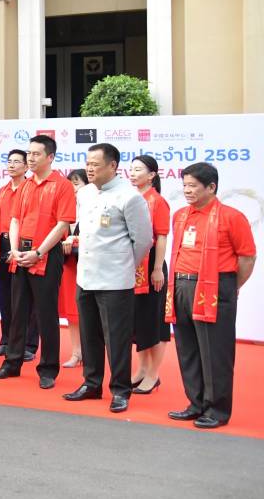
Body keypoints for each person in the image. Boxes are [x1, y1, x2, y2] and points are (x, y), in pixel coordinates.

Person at [166, 162, 256, 429]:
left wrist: (230, 287)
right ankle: (196, 404)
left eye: (193, 186)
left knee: (215, 352)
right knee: (187, 349)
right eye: (184, 185)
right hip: (181, 286)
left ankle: (217, 409)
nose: (187, 191)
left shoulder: (232, 217)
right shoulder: (180, 215)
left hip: (215, 288)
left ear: (211, 187)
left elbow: (247, 257)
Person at [64, 143, 152, 414]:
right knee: (89, 334)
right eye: (87, 163)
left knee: (117, 339)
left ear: (113, 166)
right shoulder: (85, 193)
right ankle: (91, 383)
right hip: (86, 275)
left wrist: (123, 265)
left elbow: (143, 241)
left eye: (96, 164)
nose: (89, 169)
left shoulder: (130, 197)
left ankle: (120, 390)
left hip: (115, 280)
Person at [0, 134, 74, 390]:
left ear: (50, 157)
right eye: (29, 154)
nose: (31, 158)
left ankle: (48, 369)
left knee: (46, 313)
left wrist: (38, 252)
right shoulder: (25, 185)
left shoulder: (62, 185)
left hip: (47, 253)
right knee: (17, 310)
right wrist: (15, 250)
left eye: (36, 154)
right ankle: (12, 362)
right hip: (21, 253)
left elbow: (63, 224)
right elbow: (15, 219)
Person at [0, 149, 38, 360]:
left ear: (26, 166)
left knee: (26, 299)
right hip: (2, 244)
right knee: (5, 296)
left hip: (23, 246)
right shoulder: (3, 190)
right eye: (9, 161)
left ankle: (29, 344)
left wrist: (16, 249)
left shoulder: (30, 189)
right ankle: (6, 340)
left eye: (17, 162)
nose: (12, 165)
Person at [129, 155, 171, 394]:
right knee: (139, 321)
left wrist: (156, 269)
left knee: (155, 322)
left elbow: (161, 236)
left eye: (138, 170)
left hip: (151, 265)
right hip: (133, 266)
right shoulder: (133, 198)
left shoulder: (158, 201)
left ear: (152, 175)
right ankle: (142, 369)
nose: (133, 173)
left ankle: (154, 374)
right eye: (131, 169)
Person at [60, 169, 88, 367]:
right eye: (70, 184)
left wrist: (75, 239)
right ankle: (76, 353)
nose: (73, 188)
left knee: (89, 311)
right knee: (72, 311)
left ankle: (90, 353)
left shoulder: (94, 207)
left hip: (89, 265)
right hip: (69, 264)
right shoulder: (65, 207)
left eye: (77, 183)